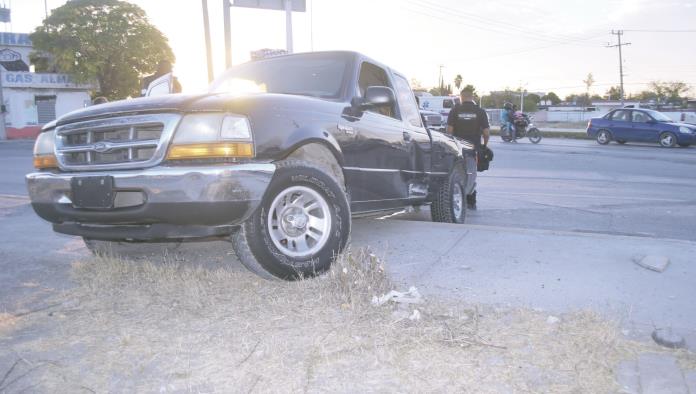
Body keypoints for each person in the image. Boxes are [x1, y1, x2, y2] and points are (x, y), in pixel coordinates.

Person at [447, 89, 490, 210]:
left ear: (461, 97)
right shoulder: (480, 111)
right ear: (472, 97)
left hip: (457, 150)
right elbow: (486, 133)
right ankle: (470, 200)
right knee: (471, 173)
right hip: (472, 150)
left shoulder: (454, 110)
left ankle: (458, 197)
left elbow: (449, 131)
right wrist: (484, 145)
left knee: (456, 173)